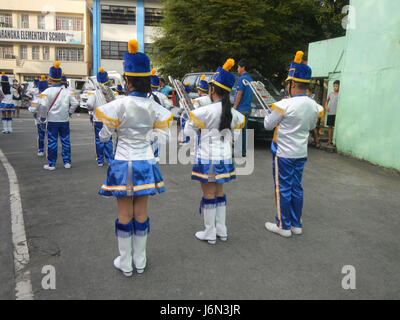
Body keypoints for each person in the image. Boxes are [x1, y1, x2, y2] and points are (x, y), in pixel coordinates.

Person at [96, 39, 173, 277]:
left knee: (123, 213)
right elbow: (165, 138)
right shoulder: (156, 107)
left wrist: (107, 134)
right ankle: (140, 260)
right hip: (145, 162)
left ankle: (126, 262)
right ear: (147, 79)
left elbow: (105, 136)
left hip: (122, 162)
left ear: (127, 80)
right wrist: (147, 140)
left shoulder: (118, 105)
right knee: (141, 213)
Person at [183, 58, 245, 245]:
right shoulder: (236, 114)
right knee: (219, 193)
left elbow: (188, 131)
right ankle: (221, 230)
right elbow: (235, 138)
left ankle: (210, 233)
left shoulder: (205, 111)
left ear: (212, 90)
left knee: (208, 194)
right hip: (225, 159)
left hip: (207, 158)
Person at [264, 51, 323, 238]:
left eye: (288, 83)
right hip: (301, 152)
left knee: (283, 188)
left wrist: (272, 113)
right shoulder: (314, 105)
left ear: (293, 84)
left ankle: (283, 225)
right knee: (297, 187)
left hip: (284, 153)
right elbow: (312, 125)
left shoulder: (284, 105)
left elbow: (267, 125)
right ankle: (296, 224)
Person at [39, 61, 79, 170]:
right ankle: (67, 162)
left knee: (52, 142)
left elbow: (43, 106)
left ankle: (52, 164)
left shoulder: (47, 91)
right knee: (65, 141)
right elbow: (75, 103)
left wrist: (42, 118)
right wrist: (70, 112)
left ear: (50, 79)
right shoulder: (67, 92)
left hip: (52, 120)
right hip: (64, 120)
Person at [86, 68, 115, 167]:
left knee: (99, 140)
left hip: (98, 120)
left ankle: (100, 160)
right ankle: (110, 159)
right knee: (108, 139)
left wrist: (92, 109)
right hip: (109, 119)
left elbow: (89, 104)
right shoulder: (111, 92)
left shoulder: (94, 93)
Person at [233, 59, 253, 157]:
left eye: (238, 67)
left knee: (238, 131)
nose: (237, 69)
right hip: (248, 108)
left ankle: (238, 152)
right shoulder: (250, 79)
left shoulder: (242, 79)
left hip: (241, 108)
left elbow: (239, 93)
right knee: (243, 131)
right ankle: (243, 152)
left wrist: (235, 106)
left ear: (243, 67)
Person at [28, 77, 47, 156]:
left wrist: (28, 107)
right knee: (50, 137)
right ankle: (50, 151)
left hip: (39, 120)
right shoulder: (50, 98)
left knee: (41, 135)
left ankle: (41, 150)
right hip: (51, 120)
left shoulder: (36, 100)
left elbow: (32, 110)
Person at [325, 80, 340, 148]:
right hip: (330, 113)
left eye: (336, 86)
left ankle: (334, 142)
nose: (335, 87)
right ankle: (329, 141)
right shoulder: (331, 94)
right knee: (330, 127)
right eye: (334, 86)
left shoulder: (340, 94)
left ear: (339, 87)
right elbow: (327, 101)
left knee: (335, 128)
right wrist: (326, 106)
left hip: (336, 114)